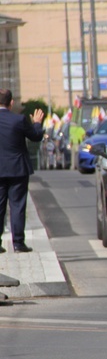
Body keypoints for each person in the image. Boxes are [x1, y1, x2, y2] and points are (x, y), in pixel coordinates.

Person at [0, 89, 45, 253]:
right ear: (11, 103)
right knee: (17, 205)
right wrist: (37, 123)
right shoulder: (19, 119)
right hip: (18, 169)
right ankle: (18, 243)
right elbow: (36, 136)